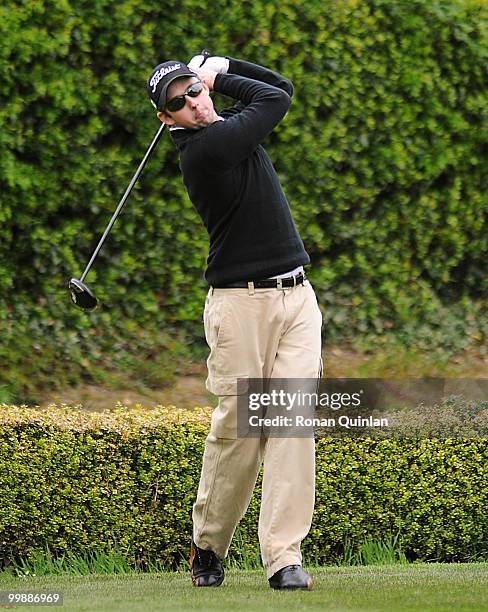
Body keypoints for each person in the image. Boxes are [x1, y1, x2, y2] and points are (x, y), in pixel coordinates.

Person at [146, 54, 322, 590]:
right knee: (240, 433)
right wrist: (219, 75)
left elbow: (280, 83)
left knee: (292, 426)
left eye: (194, 90)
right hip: (238, 307)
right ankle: (209, 543)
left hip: (297, 298)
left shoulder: (227, 127)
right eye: (177, 101)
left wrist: (228, 65)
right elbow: (275, 98)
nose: (193, 103)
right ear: (167, 119)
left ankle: (283, 557)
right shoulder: (202, 151)